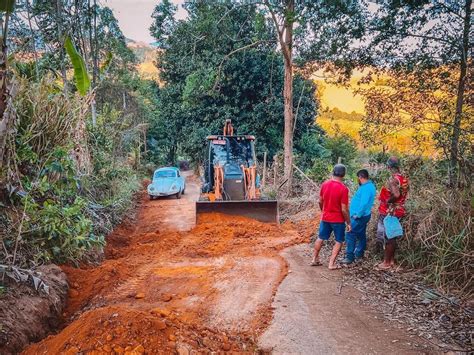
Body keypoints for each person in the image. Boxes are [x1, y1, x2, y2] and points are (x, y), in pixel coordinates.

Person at [311, 164, 351, 270]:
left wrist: (323, 211)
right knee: (339, 241)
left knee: (320, 237)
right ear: (344, 174)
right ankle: (331, 264)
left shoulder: (325, 184)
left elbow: (320, 201)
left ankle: (314, 259)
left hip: (325, 217)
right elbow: (344, 209)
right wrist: (348, 222)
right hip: (338, 219)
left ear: (333, 172)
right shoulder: (343, 189)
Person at [376, 156, 409, 270]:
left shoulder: (393, 179)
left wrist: (387, 201)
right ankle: (391, 261)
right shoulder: (403, 178)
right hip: (398, 210)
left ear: (389, 166)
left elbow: (396, 195)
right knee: (392, 236)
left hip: (390, 211)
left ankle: (386, 262)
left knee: (388, 236)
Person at [341, 169, 376, 265]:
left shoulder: (366, 188)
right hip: (364, 215)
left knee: (350, 233)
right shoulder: (370, 186)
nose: (358, 180)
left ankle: (349, 257)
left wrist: (358, 215)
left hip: (360, 216)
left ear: (360, 177)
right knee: (361, 234)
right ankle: (359, 253)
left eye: (358, 178)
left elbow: (364, 203)